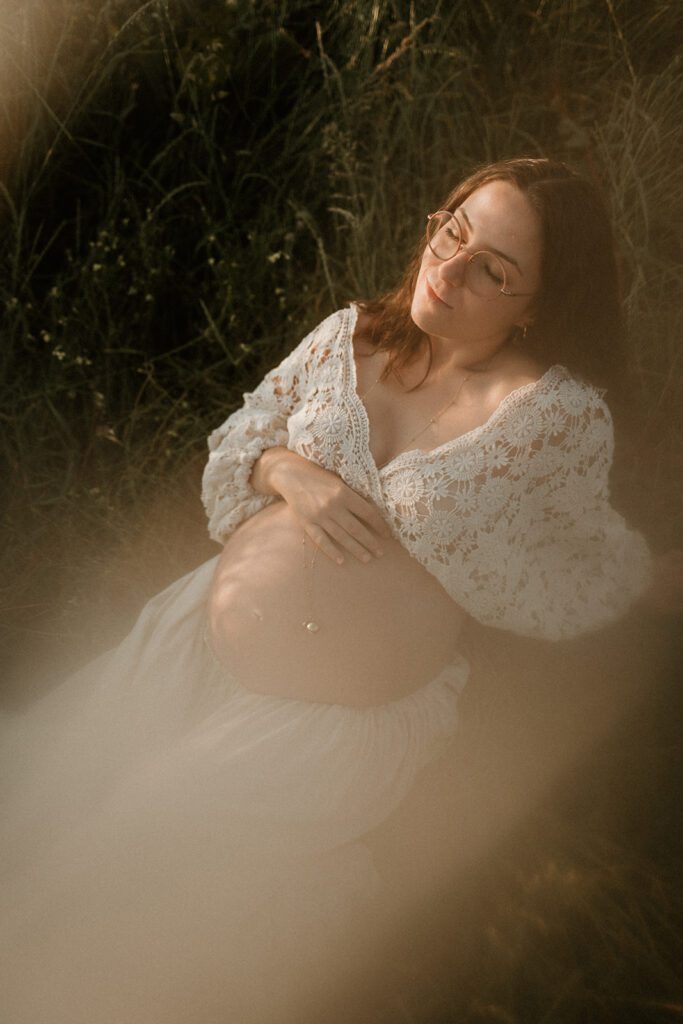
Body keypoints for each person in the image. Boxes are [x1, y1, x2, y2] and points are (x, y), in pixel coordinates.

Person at [0, 157, 668, 1023]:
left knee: (125, 859)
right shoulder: (350, 337)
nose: (448, 268)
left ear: (535, 303)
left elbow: (577, 551)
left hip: (333, 721)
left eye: (491, 271)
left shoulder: (552, 417)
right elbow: (240, 438)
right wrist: (288, 472)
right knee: (44, 795)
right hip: (194, 636)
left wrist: (649, 581)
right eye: (451, 232)